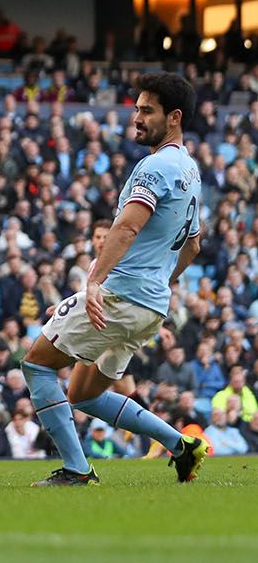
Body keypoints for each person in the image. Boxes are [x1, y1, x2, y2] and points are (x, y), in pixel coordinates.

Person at [21, 73, 210, 486]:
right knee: (83, 394)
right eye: (137, 109)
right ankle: (183, 446)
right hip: (149, 306)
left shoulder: (155, 166)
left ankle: (76, 470)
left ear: (173, 117)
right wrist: (159, 285)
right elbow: (193, 247)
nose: (137, 118)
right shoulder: (191, 172)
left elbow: (124, 229)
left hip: (120, 297)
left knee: (36, 365)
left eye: (147, 111)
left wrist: (93, 286)